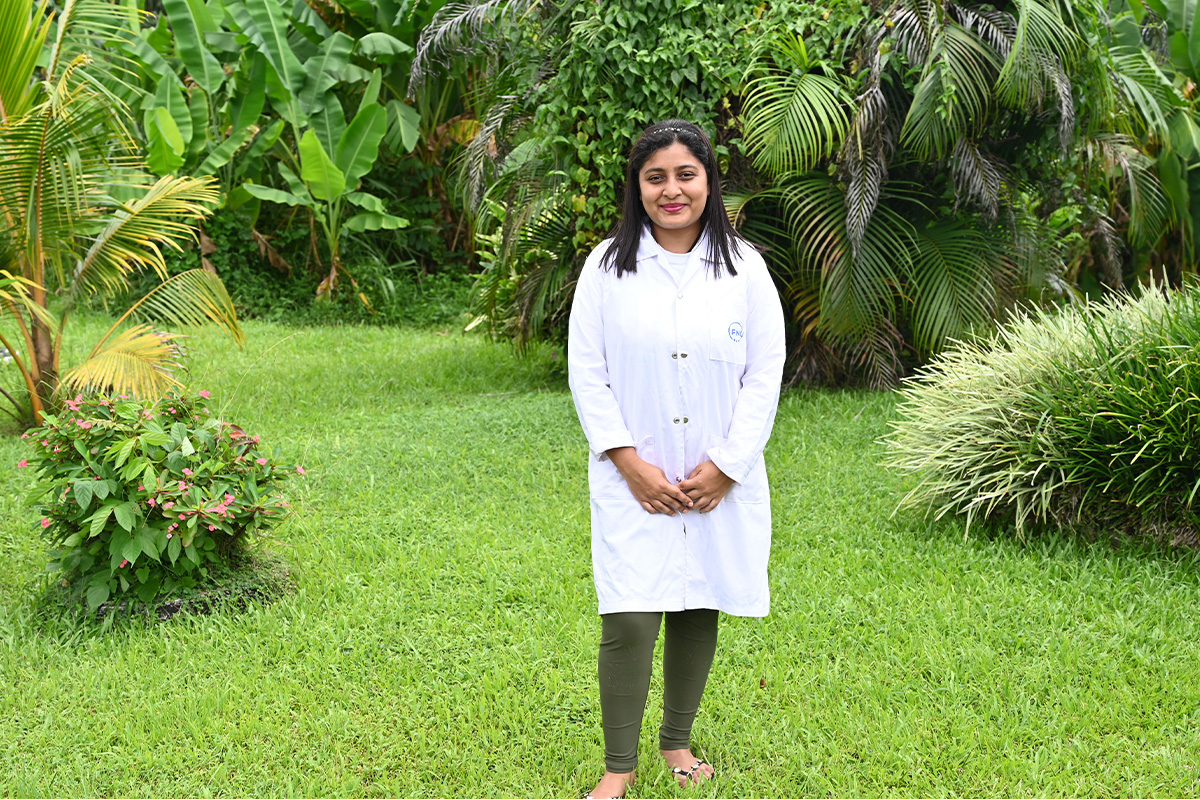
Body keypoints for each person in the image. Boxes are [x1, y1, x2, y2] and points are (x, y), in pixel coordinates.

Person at [567, 119, 786, 799]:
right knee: (630, 614)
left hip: (714, 477)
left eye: (685, 174)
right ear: (637, 186)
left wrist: (726, 465)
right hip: (635, 477)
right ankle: (619, 765)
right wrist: (629, 464)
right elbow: (587, 371)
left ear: (709, 181)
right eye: (655, 176)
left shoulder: (744, 266)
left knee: (699, 603)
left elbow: (765, 370)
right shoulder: (606, 267)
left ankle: (677, 741)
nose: (672, 190)